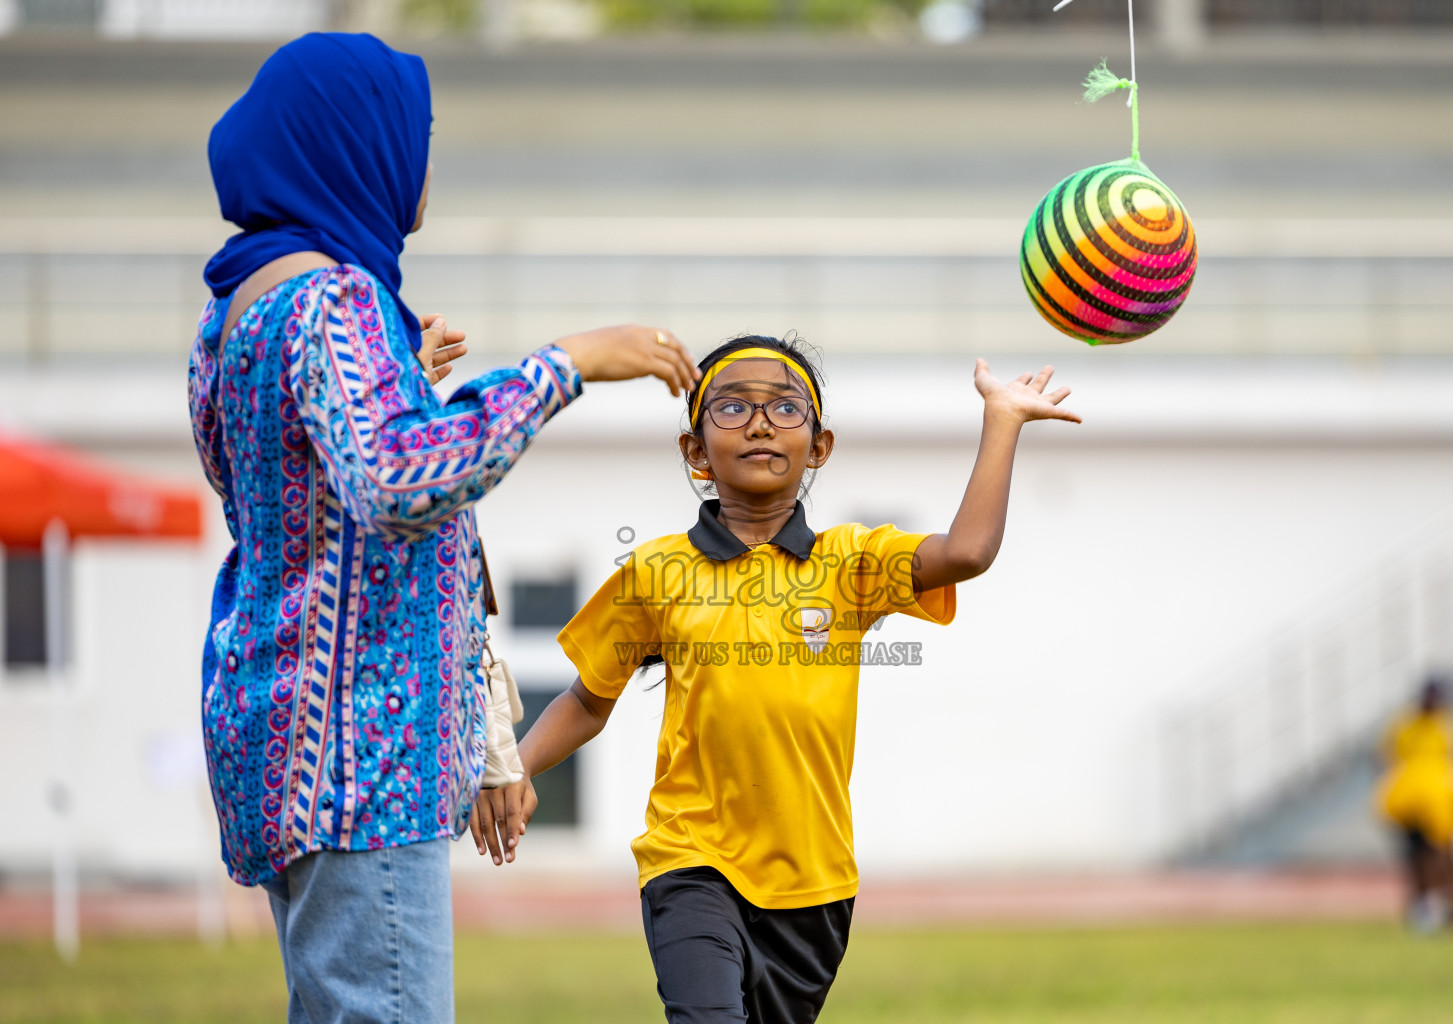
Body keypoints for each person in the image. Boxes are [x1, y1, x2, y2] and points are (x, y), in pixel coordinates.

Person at [188, 33, 699, 1024]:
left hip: (279, 735)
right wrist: (566, 363)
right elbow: (399, 478)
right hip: (359, 759)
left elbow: (282, 484)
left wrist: (401, 381)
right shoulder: (335, 296)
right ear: (353, 142)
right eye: (412, 135)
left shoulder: (238, 311)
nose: (422, 159)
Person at [469, 334, 1080, 1023]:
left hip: (814, 887)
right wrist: (513, 768)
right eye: (731, 407)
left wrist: (1001, 421)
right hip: (690, 861)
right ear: (695, 452)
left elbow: (967, 552)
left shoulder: (852, 561)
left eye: (785, 407)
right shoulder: (655, 573)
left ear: (818, 447)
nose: (760, 421)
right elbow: (587, 699)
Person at [1376, 678, 1453, 932]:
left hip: (1440, 805)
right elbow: (1387, 757)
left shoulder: (1447, 724)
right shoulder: (1405, 724)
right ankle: (1425, 909)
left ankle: (1452, 908)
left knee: (1444, 858)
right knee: (1417, 859)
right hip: (1411, 805)